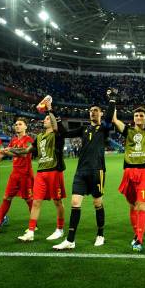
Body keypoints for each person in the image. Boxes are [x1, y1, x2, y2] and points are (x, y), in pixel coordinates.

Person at [53, 90, 115, 250]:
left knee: (97, 202)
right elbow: (64, 133)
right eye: (90, 111)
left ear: (100, 113)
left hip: (97, 171)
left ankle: (100, 234)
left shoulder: (104, 128)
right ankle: (70, 240)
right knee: (74, 202)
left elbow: (109, 118)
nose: (92, 113)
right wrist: (54, 114)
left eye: (96, 110)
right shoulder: (83, 129)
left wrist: (112, 100)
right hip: (81, 172)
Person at [108, 90, 145, 252]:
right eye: (136, 116)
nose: (139, 117)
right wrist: (112, 100)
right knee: (132, 206)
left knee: (142, 207)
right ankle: (136, 233)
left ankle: (139, 239)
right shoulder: (128, 131)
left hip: (144, 172)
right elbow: (113, 119)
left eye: (141, 116)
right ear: (133, 119)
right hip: (128, 173)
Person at [17, 100, 67, 242]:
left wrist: (49, 110)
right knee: (36, 202)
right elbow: (26, 151)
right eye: (44, 118)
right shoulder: (39, 137)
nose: (44, 120)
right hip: (41, 172)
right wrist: (8, 152)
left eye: (47, 119)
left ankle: (59, 229)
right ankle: (30, 232)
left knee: (57, 202)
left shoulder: (57, 135)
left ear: (52, 121)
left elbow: (56, 125)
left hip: (54, 172)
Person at [0, 118, 35, 233]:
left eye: (20, 124)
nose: (17, 126)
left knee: (28, 199)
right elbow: (3, 154)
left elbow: (24, 153)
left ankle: (33, 225)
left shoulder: (29, 139)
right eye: (16, 124)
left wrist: (8, 150)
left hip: (25, 174)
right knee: (6, 197)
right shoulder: (13, 140)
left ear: (26, 127)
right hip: (14, 174)